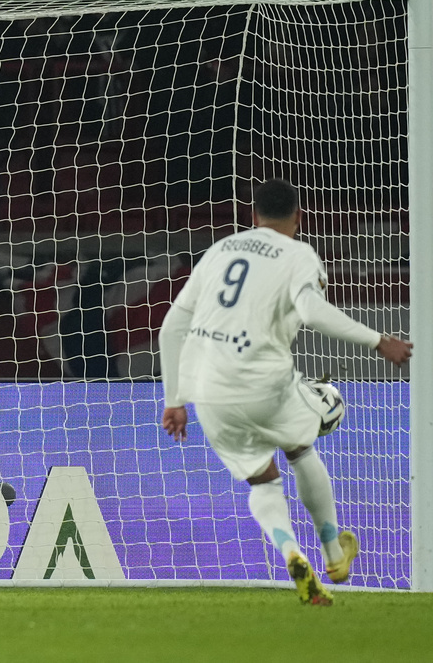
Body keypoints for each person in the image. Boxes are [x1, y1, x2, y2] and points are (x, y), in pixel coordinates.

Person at [157, 178, 412, 606]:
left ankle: (292, 553)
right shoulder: (298, 255)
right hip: (263, 381)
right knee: (303, 442)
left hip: (209, 391)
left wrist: (174, 401)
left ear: (253, 216)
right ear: (298, 216)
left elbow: (171, 328)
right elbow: (312, 311)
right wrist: (377, 340)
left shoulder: (221, 250)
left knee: (262, 480)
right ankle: (333, 554)